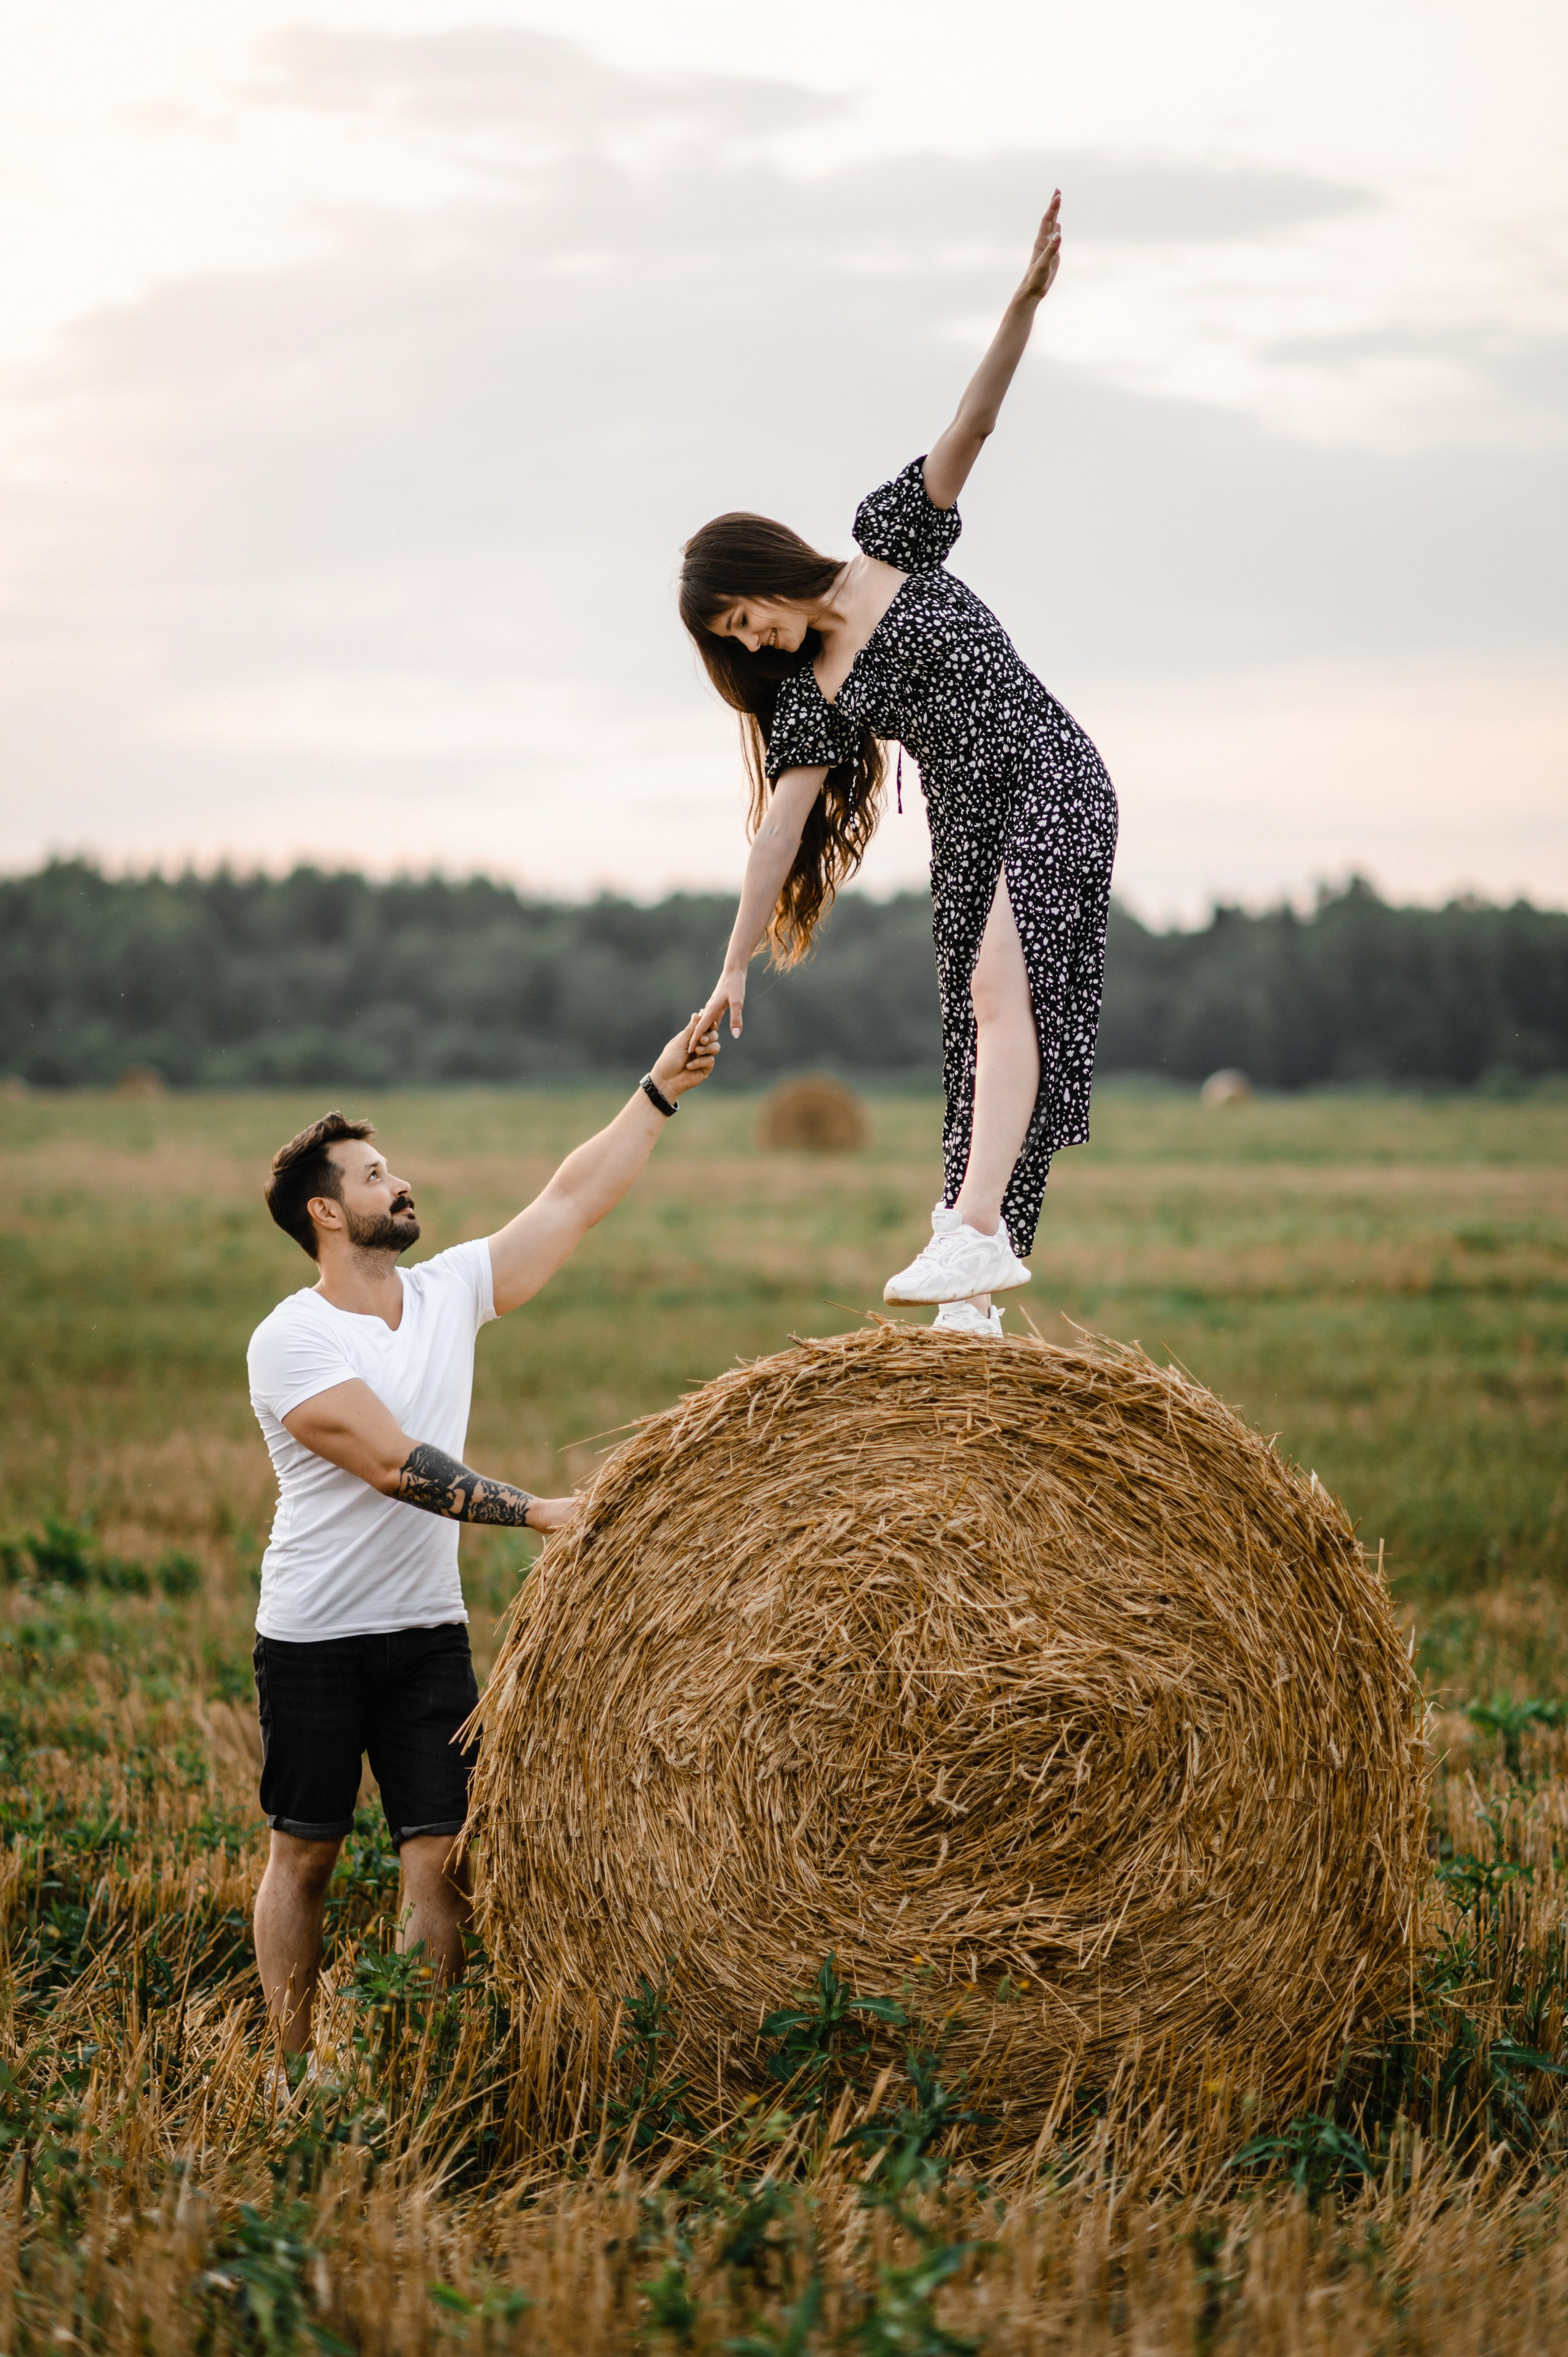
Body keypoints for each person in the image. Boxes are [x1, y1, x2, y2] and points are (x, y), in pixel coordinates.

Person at [682, 194, 1117, 1337]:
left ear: (764, 570)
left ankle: (970, 1236)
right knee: (978, 1051)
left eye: (742, 616)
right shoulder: (814, 702)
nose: (749, 641)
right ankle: (975, 1287)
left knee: (998, 993)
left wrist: (1021, 304)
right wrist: (734, 966)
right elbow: (777, 835)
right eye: (729, 641)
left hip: (1048, 772)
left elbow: (969, 429)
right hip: (969, 830)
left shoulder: (889, 542)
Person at [245, 1017, 718, 2056]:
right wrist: (540, 1511)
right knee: (307, 1858)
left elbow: (572, 1199)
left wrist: (657, 1091)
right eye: (375, 1177)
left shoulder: (449, 1290)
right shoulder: (293, 1339)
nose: (399, 1185)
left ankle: (411, 2056)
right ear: (327, 1212)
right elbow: (391, 1463)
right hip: (315, 1638)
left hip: (426, 1634)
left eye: (395, 1170)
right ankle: (286, 2064)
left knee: (442, 1858)